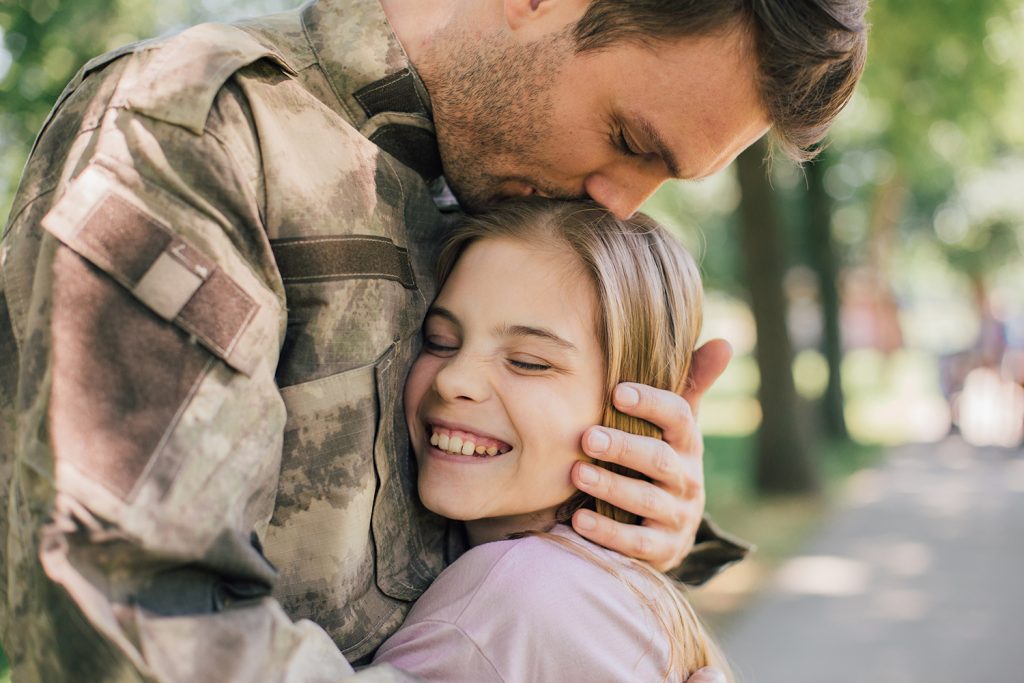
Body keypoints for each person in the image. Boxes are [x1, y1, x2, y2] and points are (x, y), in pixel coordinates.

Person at [0, 0, 867, 680]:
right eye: (630, 139)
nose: (620, 204)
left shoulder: (504, 178)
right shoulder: (199, 134)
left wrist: (626, 521)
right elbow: (123, 624)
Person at [373, 198, 733, 681]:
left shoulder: (506, 604)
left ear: (633, 409)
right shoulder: (609, 590)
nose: (454, 379)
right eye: (439, 341)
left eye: (527, 361)